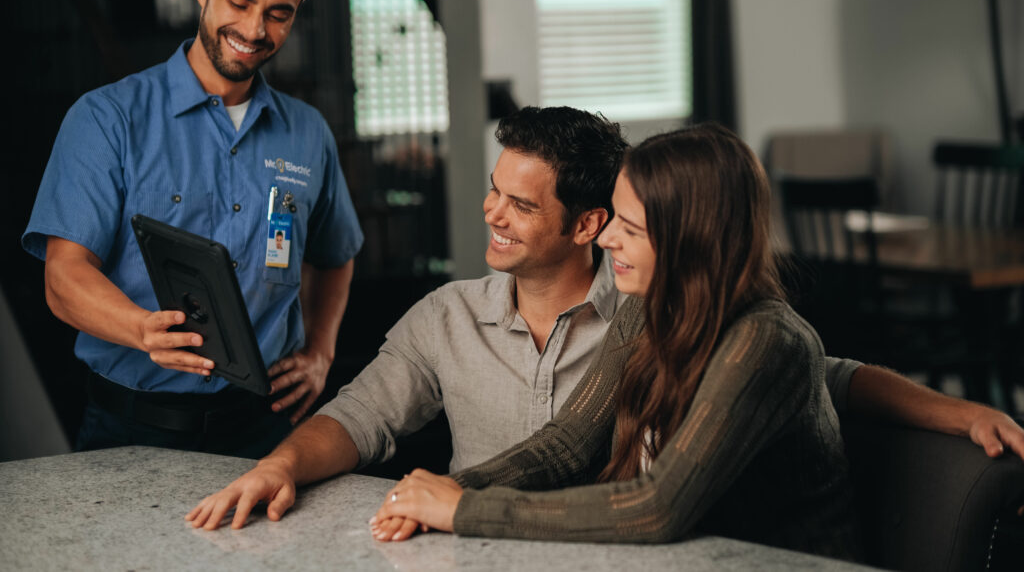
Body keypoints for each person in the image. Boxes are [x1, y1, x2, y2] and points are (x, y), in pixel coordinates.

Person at [187, 110, 1024, 531]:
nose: (612, 238)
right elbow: (564, 444)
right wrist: (436, 492)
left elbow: (656, 505)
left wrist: (464, 509)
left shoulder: (751, 334)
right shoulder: (649, 310)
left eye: (628, 225)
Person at [22, 0, 363, 458]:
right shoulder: (108, 119)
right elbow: (63, 278)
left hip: (266, 431)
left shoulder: (308, 134)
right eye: (240, 1)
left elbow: (336, 254)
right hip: (130, 433)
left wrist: (321, 350)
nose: (255, 31)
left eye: (279, 14)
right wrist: (141, 330)